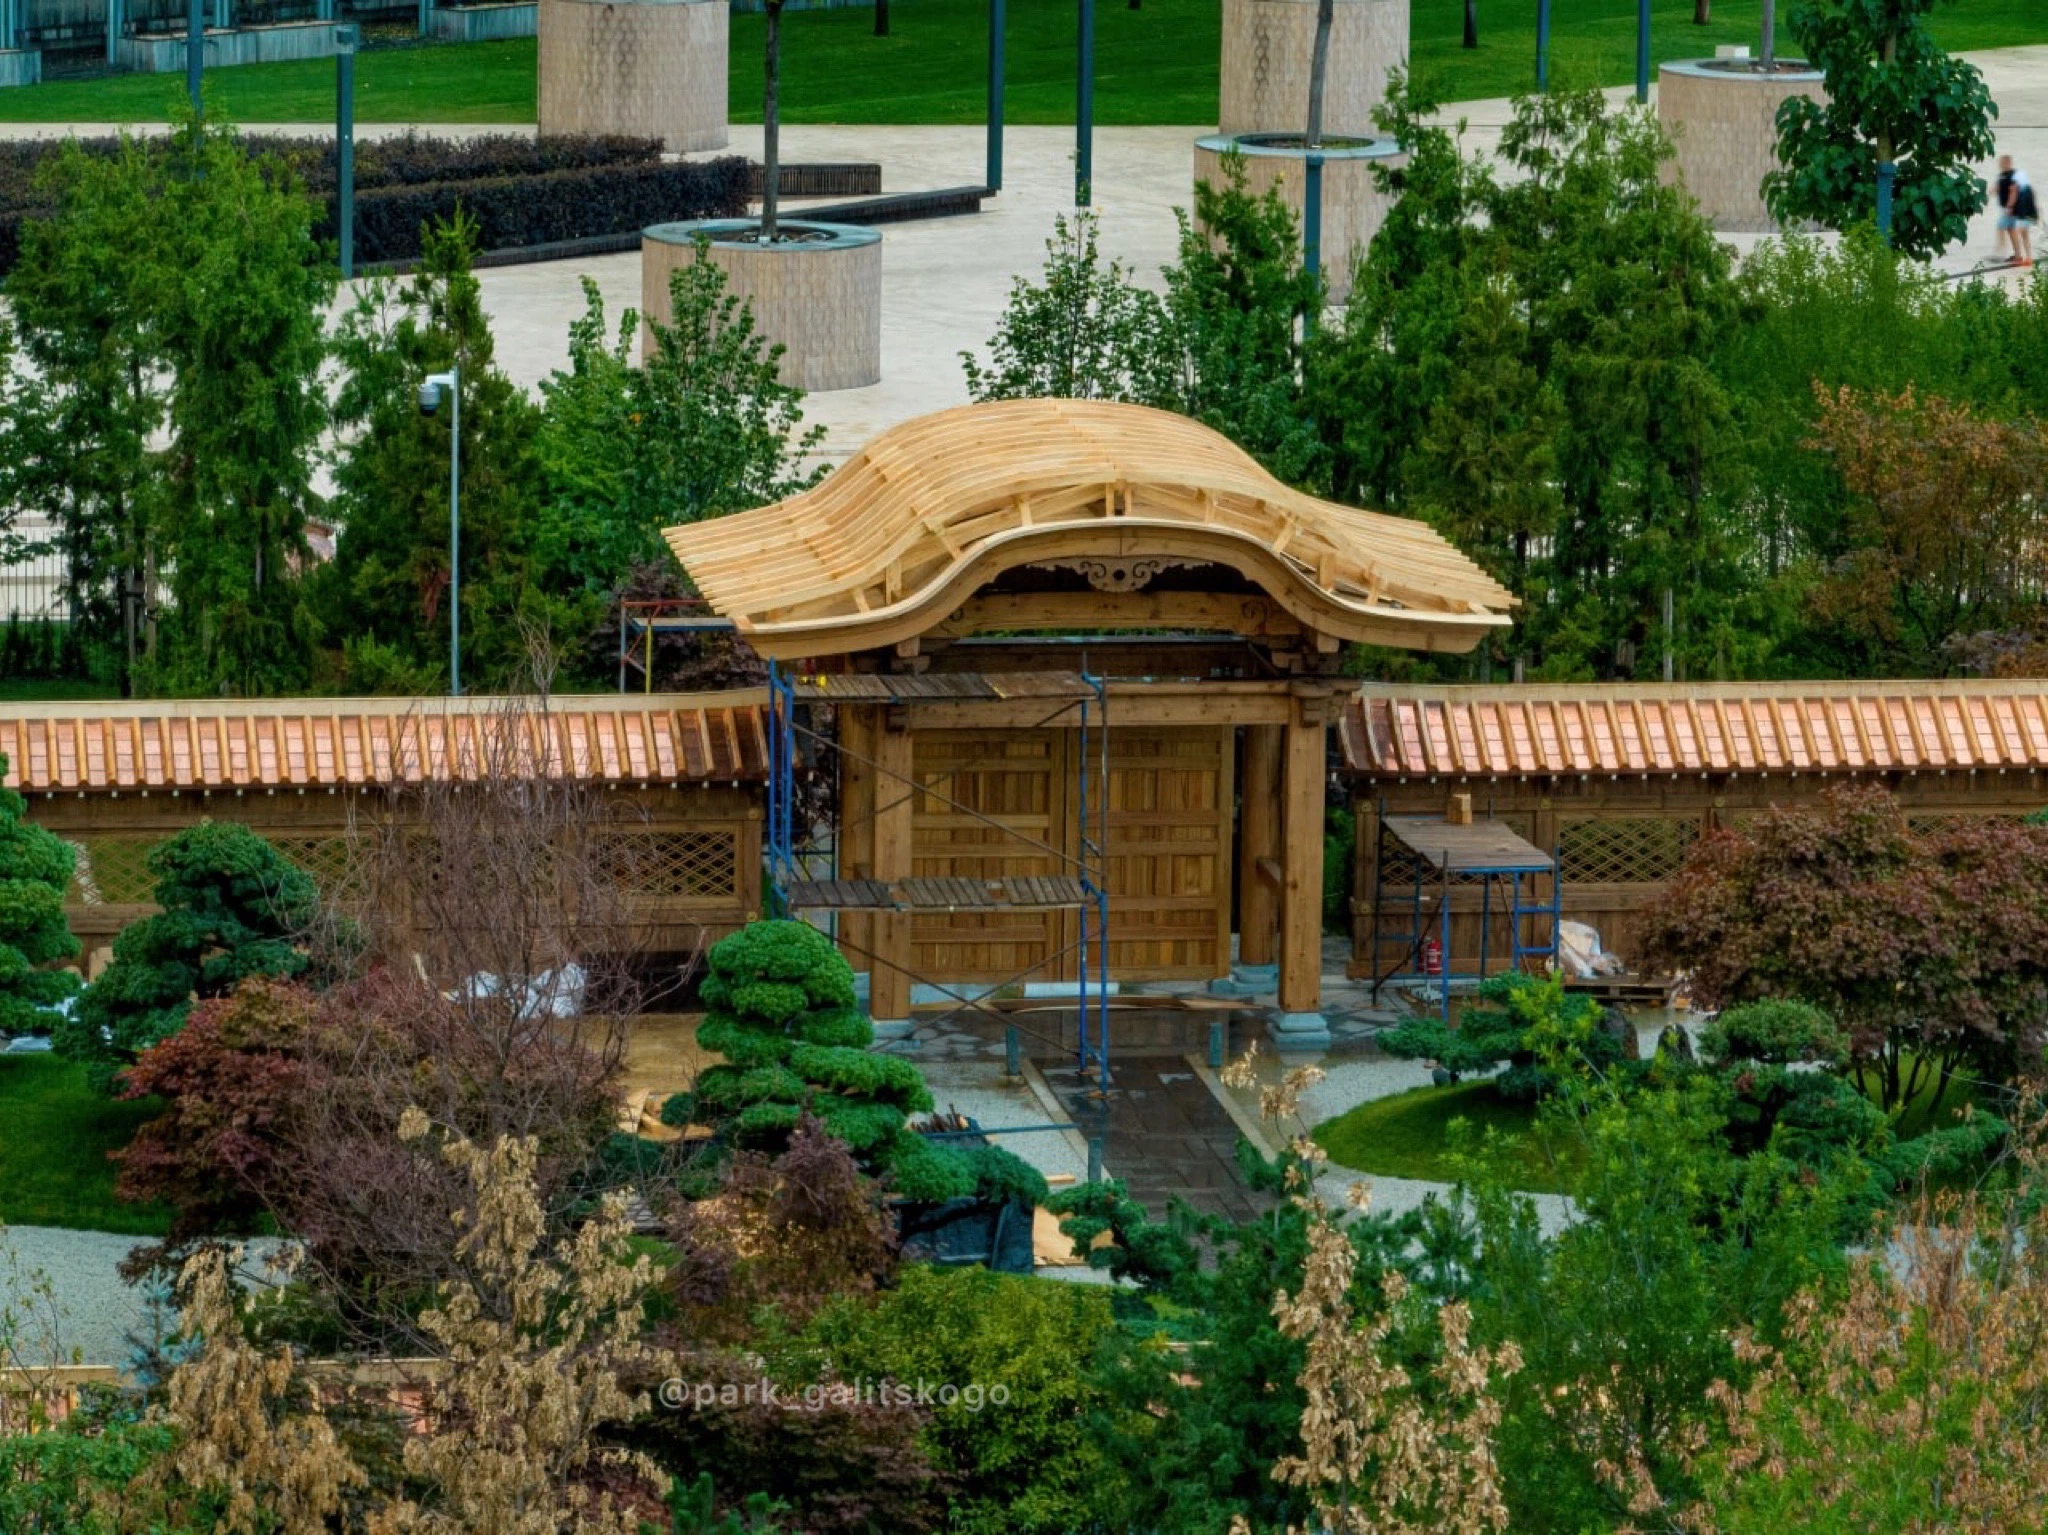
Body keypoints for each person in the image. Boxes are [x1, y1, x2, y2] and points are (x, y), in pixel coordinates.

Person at [1998, 155, 2035, 268]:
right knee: (2018, 232)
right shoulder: (2006, 177)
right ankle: (2021, 256)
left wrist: (2009, 207)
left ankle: (2026, 258)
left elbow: (2014, 192)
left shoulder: (2014, 178)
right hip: (2020, 211)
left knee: (2023, 233)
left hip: (2021, 211)